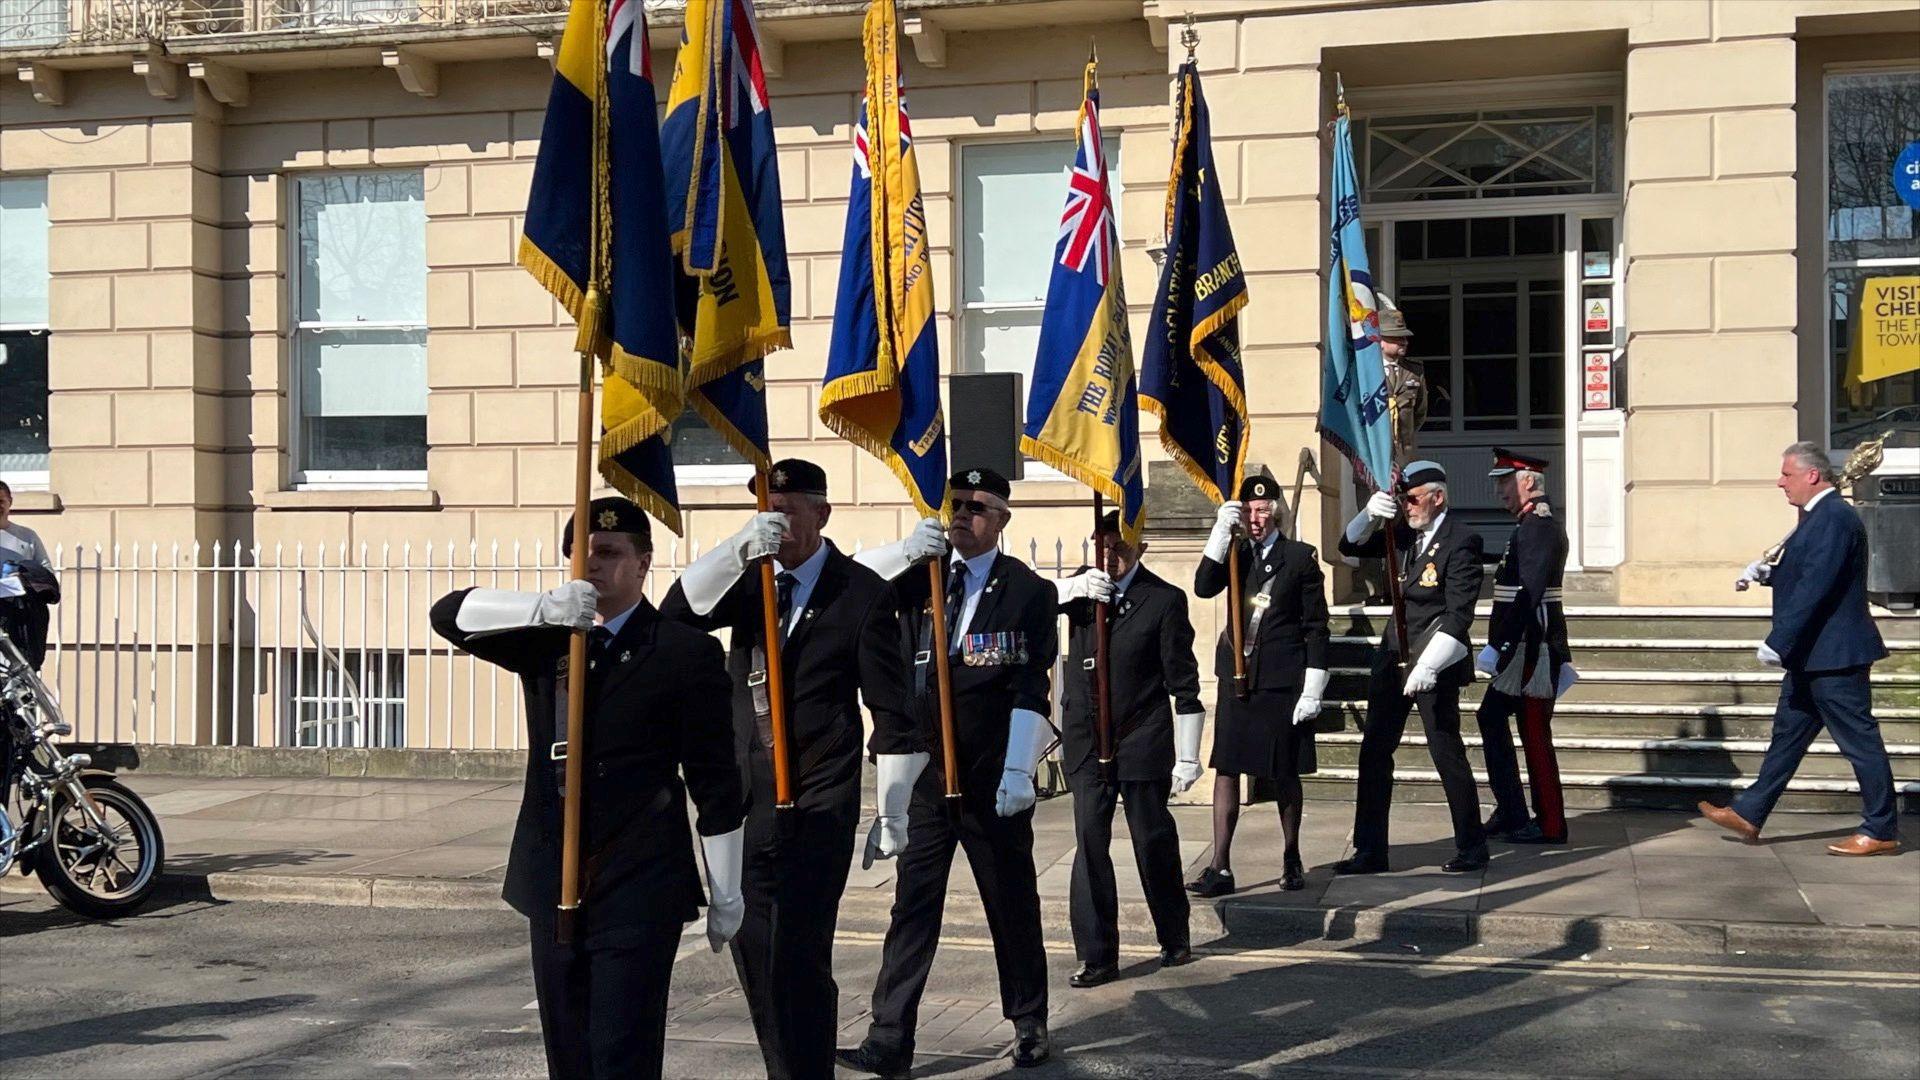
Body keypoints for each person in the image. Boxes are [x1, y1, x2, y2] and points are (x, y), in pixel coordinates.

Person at [429, 497, 745, 1080]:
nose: (592, 565)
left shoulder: (682, 650)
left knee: (622, 1050)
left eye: (609, 553)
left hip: (640, 877)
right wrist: (542, 607)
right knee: (568, 1051)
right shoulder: (544, 637)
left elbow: (716, 779)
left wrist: (727, 889)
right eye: (580, 553)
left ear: (644, 562)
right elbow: (447, 614)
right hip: (552, 872)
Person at [659, 459, 911, 1080]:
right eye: (766, 508)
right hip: (747, 804)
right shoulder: (749, 583)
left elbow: (893, 708)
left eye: (789, 507)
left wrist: (894, 806)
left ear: (822, 515)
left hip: (818, 805)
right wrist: (735, 551)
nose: (776, 518)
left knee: (798, 961)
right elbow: (674, 615)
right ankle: (785, 1070)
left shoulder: (860, 594)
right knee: (756, 960)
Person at [838, 467, 1058, 1077]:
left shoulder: (1028, 592)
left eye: (978, 507)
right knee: (912, 907)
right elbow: (850, 587)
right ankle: (889, 1038)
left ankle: (1029, 1021)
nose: (962, 514)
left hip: (992, 776)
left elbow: (1029, 685)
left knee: (1011, 904)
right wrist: (904, 553)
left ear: (1003, 520)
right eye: (955, 504)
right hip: (927, 777)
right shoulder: (915, 582)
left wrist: (1019, 769)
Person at [1702, 442, 1898, 856]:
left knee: (1860, 743)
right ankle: (1750, 813)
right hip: (1813, 655)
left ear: (1812, 475)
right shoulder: (1818, 516)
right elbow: (1806, 570)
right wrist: (1769, 573)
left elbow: (1817, 586)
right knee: (1786, 739)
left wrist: (1779, 639)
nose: (1780, 482)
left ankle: (1880, 828)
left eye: (1786, 474)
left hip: (1834, 655)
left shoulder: (1834, 517)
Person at [1051, 510, 1203, 988]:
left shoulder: (1162, 600)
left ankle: (1173, 934)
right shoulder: (1081, 589)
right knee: (1090, 845)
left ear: (1140, 548)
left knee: (1151, 838)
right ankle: (1097, 954)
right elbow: (1029, 600)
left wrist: (1189, 754)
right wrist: (1072, 589)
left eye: (1118, 548)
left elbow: (1183, 680)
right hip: (1085, 736)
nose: (1109, 557)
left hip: (1140, 734)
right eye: (1102, 546)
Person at [1334, 461, 1489, 874]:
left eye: (1413, 499)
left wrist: (1429, 666)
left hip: (1433, 657)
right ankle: (1370, 850)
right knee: (1374, 751)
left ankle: (1472, 846)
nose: (1407, 507)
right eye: (1402, 500)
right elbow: (1348, 547)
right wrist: (1370, 513)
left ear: (1437, 497)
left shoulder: (1462, 540)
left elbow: (1459, 616)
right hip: (1394, 654)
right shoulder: (1402, 533)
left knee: (1445, 752)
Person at [1185, 475, 1330, 898]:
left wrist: (1313, 686)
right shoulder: (1234, 553)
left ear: (1277, 512)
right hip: (1238, 677)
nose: (1255, 517)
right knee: (1226, 769)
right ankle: (1220, 866)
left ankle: (1291, 856)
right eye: (1248, 510)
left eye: (1262, 510)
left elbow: (1316, 627)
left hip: (1281, 681)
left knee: (1284, 771)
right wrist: (1217, 535)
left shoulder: (1299, 557)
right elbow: (1203, 586)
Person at [1475, 448, 1576, 845]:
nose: (1499, 490)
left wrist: (1499, 646)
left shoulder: (1537, 526)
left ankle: (1550, 823)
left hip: (1531, 648)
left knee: (1534, 734)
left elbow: (1530, 593)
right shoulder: (1529, 525)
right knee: (1491, 718)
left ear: (1529, 483)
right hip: (1524, 647)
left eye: (1505, 482)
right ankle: (1513, 808)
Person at [0, 479, 60, 670]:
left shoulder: (27, 536)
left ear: (10, 502)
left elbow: (46, 574)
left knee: (21, 673)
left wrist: (23, 576)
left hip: (20, 616)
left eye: (1, 501)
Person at [1376, 295, 1428, 464]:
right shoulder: (1368, 372)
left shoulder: (1414, 371)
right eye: (1397, 338)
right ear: (1380, 341)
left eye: (1404, 338)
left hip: (1404, 456)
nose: (1404, 342)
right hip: (1374, 456)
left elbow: (1419, 412)